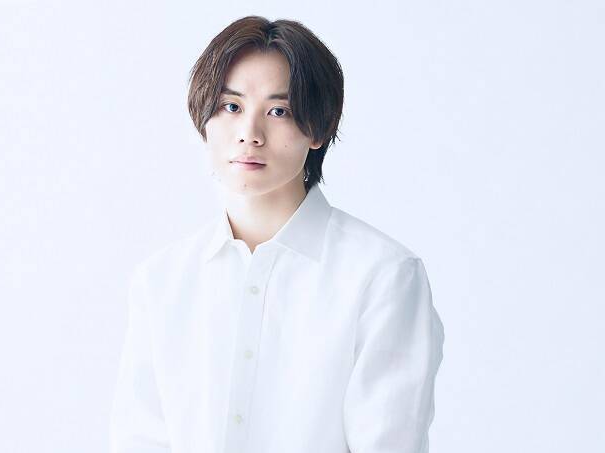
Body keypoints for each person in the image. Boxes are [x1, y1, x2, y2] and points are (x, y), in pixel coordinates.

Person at [109, 15, 445, 453]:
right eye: (231, 107)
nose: (250, 134)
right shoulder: (162, 280)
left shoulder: (381, 276)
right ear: (203, 119)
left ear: (319, 128)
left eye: (278, 111)